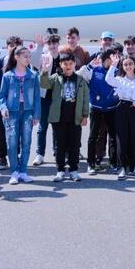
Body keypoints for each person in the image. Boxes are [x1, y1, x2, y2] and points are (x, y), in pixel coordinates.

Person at [40, 52, 90, 182]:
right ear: (60, 65)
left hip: (75, 118)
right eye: (65, 64)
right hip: (59, 119)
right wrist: (44, 71)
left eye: (70, 63)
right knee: (60, 146)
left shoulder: (80, 80)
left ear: (75, 64)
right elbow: (44, 84)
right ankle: (60, 170)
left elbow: (85, 99)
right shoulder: (55, 78)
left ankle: (74, 170)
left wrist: (85, 115)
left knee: (74, 145)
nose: (68, 66)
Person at [0, 46, 41, 185]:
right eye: (25, 56)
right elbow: (1, 96)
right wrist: (3, 108)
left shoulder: (33, 76)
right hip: (11, 113)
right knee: (12, 143)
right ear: (16, 57)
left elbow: (37, 97)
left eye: (29, 56)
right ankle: (14, 172)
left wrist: (37, 115)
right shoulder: (7, 76)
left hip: (28, 112)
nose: (28, 59)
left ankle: (23, 171)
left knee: (26, 142)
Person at [77, 49, 118, 176]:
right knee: (93, 136)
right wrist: (89, 65)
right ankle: (91, 163)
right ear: (107, 59)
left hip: (111, 108)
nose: (115, 60)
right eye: (113, 57)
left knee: (113, 136)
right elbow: (78, 75)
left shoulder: (117, 71)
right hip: (96, 108)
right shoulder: (94, 70)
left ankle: (113, 162)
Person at [105, 54, 135, 178]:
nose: (128, 66)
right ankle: (122, 167)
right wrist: (113, 65)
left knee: (134, 138)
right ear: (122, 66)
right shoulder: (119, 79)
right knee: (122, 139)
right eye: (125, 64)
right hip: (121, 108)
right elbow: (108, 79)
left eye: (130, 64)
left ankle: (133, 166)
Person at [0, 35, 25, 171]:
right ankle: (2, 157)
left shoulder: (22, 63)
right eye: (11, 46)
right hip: (2, 103)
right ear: (7, 47)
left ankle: (15, 155)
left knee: (16, 131)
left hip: (17, 103)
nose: (14, 48)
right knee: (0, 131)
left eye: (17, 46)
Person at [34, 34, 61, 165]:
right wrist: (39, 46)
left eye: (54, 43)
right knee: (42, 127)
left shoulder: (63, 57)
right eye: (49, 43)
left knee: (57, 127)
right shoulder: (43, 56)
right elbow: (33, 62)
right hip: (44, 97)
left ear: (58, 43)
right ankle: (40, 154)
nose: (52, 46)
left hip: (59, 98)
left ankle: (57, 153)